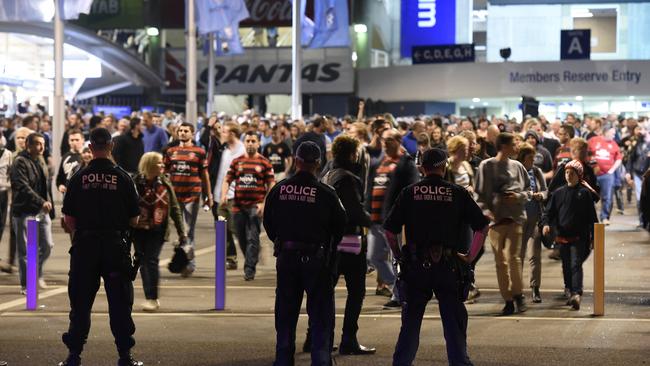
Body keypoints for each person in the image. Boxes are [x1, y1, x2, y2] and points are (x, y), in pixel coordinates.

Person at [383, 148, 489, 366]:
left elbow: (390, 230)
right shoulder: (457, 192)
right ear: (444, 166)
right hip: (449, 266)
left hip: (415, 265)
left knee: (410, 325)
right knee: (454, 325)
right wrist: (469, 257)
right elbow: (482, 226)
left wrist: (398, 255)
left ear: (422, 167)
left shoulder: (409, 192)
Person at [58, 128, 143, 366]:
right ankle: (125, 356)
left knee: (81, 303)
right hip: (115, 248)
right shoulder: (124, 178)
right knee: (120, 303)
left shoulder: (78, 177)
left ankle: (74, 355)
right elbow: (134, 219)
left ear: (90, 148)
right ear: (111, 146)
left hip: (85, 248)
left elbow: (69, 219)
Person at [263, 141, 346, 366]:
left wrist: (282, 242)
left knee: (285, 314)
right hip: (316, 259)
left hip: (287, 257)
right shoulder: (326, 193)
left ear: (297, 161)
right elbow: (341, 226)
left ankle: (283, 359)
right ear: (318, 164)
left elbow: (269, 224)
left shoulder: (279, 189)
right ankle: (320, 360)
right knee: (320, 314)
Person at [313, 135, 375, 355]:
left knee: (324, 291)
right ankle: (348, 338)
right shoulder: (347, 178)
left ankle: (315, 336)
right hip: (349, 242)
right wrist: (373, 223)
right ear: (352, 154)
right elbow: (354, 212)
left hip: (328, 242)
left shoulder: (326, 175)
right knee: (356, 291)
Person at [474, 132, 530, 315]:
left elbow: (529, 191)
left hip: (515, 218)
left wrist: (518, 197)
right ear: (504, 146)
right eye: (514, 144)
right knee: (501, 262)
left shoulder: (518, 166)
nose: (517, 147)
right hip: (495, 221)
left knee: (514, 259)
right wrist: (486, 212)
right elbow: (479, 195)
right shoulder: (486, 166)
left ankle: (518, 294)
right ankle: (508, 299)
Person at [367, 128, 419, 308]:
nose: (384, 143)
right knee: (374, 257)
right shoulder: (380, 162)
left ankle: (400, 294)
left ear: (398, 140)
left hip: (394, 221)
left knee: (397, 260)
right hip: (376, 220)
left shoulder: (406, 163)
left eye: (388, 140)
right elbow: (371, 187)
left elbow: (411, 191)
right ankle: (398, 288)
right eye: (383, 140)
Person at [132, 152, 186, 312]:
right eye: (159, 163)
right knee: (142, 261)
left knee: (151, 260)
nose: (163, 166)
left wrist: (181, 231)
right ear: (149, 165)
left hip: (158, 228)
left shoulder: (165, 182)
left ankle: (152, 298)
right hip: (138, 228)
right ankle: (150, 296)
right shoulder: (135, 182)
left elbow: (175, 208)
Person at [542, 160, 598, 310]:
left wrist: (594, 237)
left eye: (572, 173)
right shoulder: (558, 193)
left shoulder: (585, 194)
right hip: (562, 236)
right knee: (566, 265)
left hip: (580, 237)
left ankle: (576, 293)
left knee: (575, 264)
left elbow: (592, 217)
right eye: (567, 172)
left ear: (579, 175)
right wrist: (546, 224)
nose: (568, 175)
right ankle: (568, 289)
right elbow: (549, 212)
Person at [223, 131, 275, 280]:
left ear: (258, 143)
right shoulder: (237, 161)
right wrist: (224, 195)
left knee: (253, 237)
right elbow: (227, 180)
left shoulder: (264, 162)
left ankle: (249, 269)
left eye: (253, 141)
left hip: (256, 205)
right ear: (244, 143)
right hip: (238, 205)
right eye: (248, 141)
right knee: (241, 236)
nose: (250, 144)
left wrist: (265, 203)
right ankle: (252, 257)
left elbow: (271, 183)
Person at [164, 122, 212, 276]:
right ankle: (182, 260)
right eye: (180, 131)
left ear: (192, 133)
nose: (183, 133)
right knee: (178, 231)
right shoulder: (170, 151)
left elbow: (204, 175)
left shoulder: (199, 152)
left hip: (192, 195)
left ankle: (190, 264)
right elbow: (164, 173)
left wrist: (208, 195)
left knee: (188, 230)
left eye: (186, 131)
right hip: (174, 196)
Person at [10, 132, 54, 294]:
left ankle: (36, 272)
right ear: (28, 145)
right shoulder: (20, 162)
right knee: (26, 252)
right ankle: (27, 285)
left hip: (41, 212)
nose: (42, 147)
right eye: (37, 144)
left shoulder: (40, 161)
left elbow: (45, 186)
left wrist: (48, 207)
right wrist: (41, 202)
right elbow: (23, 186)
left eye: (43, 143)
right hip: (24, 211)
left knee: (48, 245)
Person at [517, 143, 548, 303]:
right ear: (522, 158)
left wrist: (540, 196)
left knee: (535, 256)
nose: (533, 161)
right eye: (530, 158)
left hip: (535, 219)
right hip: (519, 219)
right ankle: (518, 290)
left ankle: (535, 288)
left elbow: (545, 190)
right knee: (519, 256)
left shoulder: (536, 171)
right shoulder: (514, 171)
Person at [215, 122, 245, 270]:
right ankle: (231, 258)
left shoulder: (243, 150)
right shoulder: (226, 151)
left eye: (225, 131)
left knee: (237, 230)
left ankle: (252, 254)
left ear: (232, 134)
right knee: (223, 230)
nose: (222, 133)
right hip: (221, 197)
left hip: (236, 196)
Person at [588, 126, 622, 225]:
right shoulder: (593, 140)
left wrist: (612, 170)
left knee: (607, 197)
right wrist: (591, 166)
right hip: (593, 174)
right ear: (605, 132)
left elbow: (619, 159)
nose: (614, 135)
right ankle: (590, 217)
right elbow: (586, 153)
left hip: (607, 175)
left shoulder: (614, 144)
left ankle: (605, 217)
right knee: (590, 196)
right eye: (612, 133)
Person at [56, 129, 84, 194]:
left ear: (83, 140)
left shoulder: (88, 155)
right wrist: (60, 186)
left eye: (77, 140)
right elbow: (60, 177)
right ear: (68, 141)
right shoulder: (65, 157)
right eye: (72, 140)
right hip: (69, 193)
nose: (74, 142)